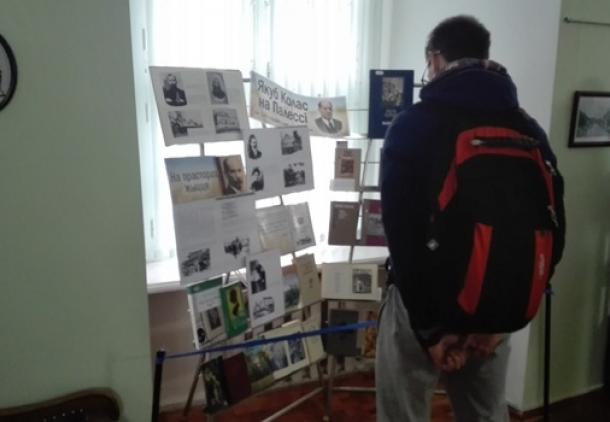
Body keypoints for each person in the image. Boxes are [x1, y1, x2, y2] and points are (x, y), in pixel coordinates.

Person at [377, 16, 565, 422]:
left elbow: (401, 235)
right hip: (495, 307)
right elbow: (554, 231)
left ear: (434, 60)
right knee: (486, 414)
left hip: (422, 308)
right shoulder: (527, 129)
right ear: (485, 57)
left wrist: (431, 331)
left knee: (402, 414)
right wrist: (501, 321)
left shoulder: (412, 125)